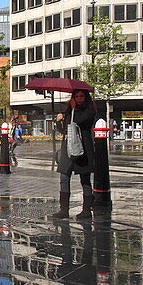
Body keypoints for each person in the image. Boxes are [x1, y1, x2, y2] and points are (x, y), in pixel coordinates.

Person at [52, 89, 98, 220]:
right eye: (76, 96)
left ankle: (86, 210)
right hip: (68, 149)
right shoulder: (69, 111)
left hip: (83, 148)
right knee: (64, 178)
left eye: (81, 96)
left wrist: (73, 109)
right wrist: (58, 121)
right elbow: (65, 130)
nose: (79, 98)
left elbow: (78, 121)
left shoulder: (89, 110)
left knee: (85, 180)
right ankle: (63, 210)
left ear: (86, 97)